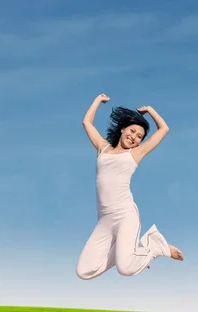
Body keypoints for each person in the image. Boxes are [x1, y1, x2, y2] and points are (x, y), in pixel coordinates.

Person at [76, 93, 183, 280]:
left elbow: (164, 129)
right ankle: (127, 253)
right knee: (85, 271)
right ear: (123, 129)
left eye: (139, 136)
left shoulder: (135, 154)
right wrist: (97, 101)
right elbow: (87, 122)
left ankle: (156, 247)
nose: (134, 137)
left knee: (125, 269)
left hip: (125, 215)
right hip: (104, 220)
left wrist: (149, 110)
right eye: (132, 131)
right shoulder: (103, 148)